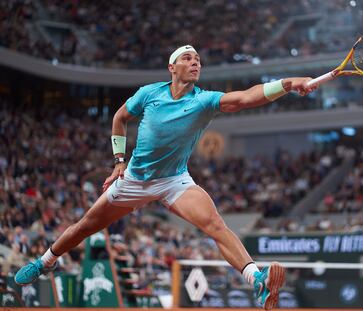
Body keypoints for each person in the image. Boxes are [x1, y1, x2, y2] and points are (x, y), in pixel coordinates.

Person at [14, 45, 315, 310]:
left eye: (198, 58)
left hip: (174, 181)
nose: (196, 62)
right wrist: (119, 161)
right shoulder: (149, 93)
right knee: (84, 227)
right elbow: (119, 118)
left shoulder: (205, 100)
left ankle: (257, 280)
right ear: (172, 67)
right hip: (134, 179)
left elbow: (247, 97)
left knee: (215, 225)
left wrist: (288, 84)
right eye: (188, 57)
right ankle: (45, 262)